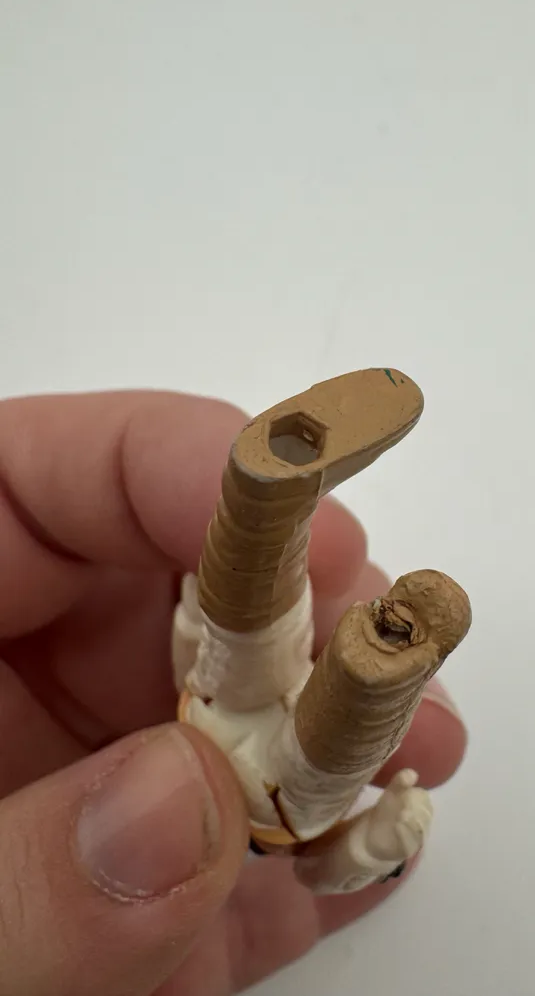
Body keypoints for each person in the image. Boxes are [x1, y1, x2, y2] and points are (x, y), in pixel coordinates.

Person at [0, 390, 466, 996]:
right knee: (283, 656)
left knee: (257, 632)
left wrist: (376, 843)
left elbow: (321, 870)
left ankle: (269, 505)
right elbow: (323, 871)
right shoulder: (279, 826)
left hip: (228, 727)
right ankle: (278, 516)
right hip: (268, 769)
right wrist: (376, 845)